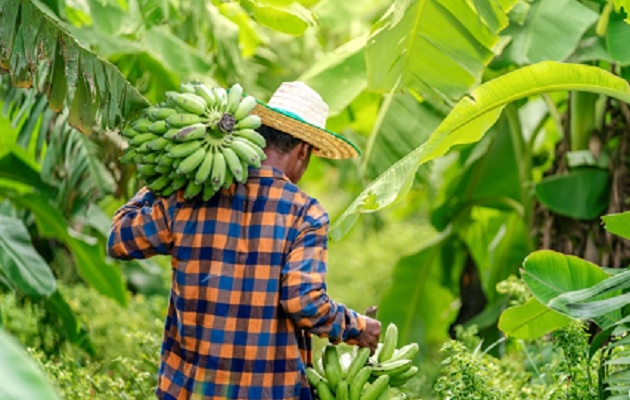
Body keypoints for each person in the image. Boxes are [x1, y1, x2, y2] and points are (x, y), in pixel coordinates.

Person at [107, 81, 382, 399]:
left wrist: (165, 178)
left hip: (189, 390)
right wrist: (357, 327)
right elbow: (304, 302)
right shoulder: (305, 213)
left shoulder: (190, 194)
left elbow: (118, 238)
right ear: (304, 151)